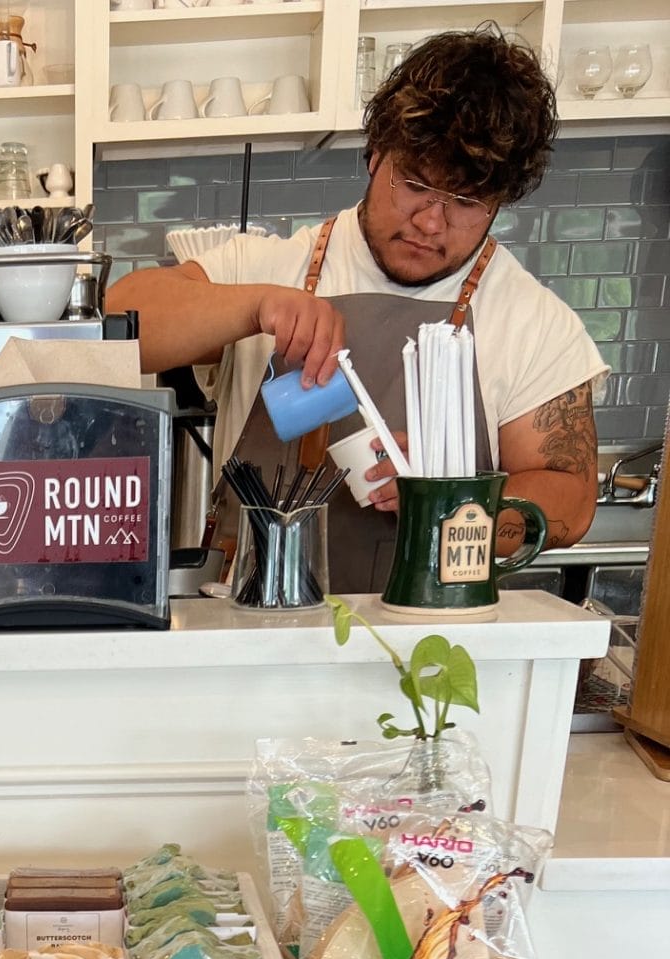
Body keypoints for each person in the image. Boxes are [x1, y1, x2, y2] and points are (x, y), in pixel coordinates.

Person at [106, 27, 606, 591]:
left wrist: (455, 501)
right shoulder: (268, 264)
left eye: (466, 202)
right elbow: (121, 323)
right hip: (251, 622)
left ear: (500, 201)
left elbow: (572, 503)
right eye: (414, 183)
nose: (431, 221)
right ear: (375, 154)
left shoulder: (533, 322)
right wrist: (257, 306)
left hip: (428, 635)